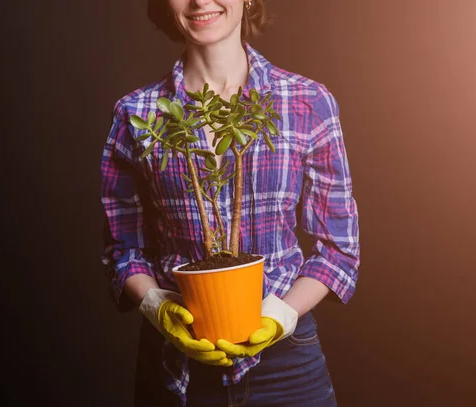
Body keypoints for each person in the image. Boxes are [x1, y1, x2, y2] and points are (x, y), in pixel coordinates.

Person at [100, 0, 360, 406]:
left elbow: (338, 249)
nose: (201, 0)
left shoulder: (307, 102)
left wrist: (281, 316)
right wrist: (157, 306)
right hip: (177, 364)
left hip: (286, 365)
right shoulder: (137, 114)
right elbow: (123, 249)